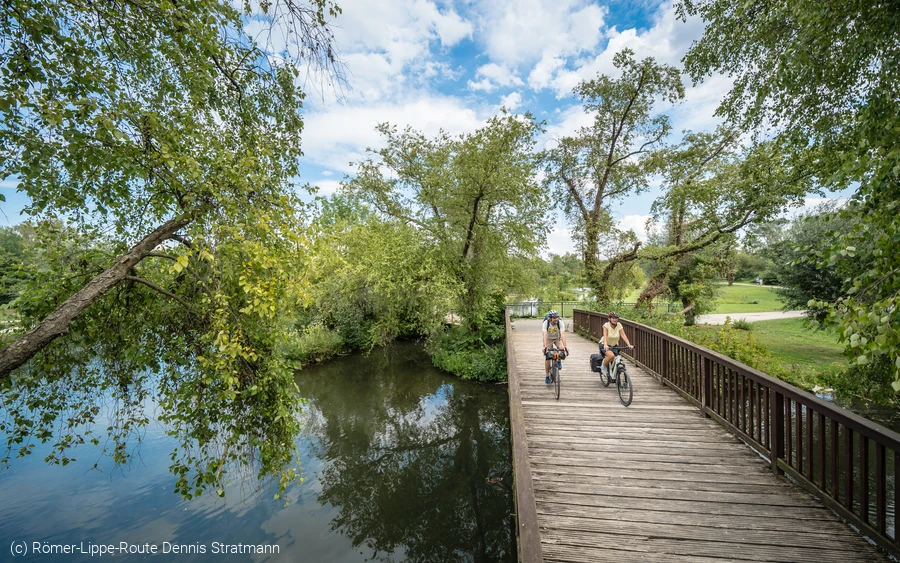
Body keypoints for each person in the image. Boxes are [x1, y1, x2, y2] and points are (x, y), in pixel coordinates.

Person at [541, 310, 569, 384]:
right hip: (548, 339)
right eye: (554, 318)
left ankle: (558, 361)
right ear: (550, 318)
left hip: (557, 338)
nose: (556, 319)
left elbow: (562, 335)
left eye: (557, 317)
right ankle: (547, 375)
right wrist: (545, 346)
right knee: (548, 357)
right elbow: (544, 335)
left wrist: (565, 347)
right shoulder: (545, 323)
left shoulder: (560, 323)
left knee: (562, 349)